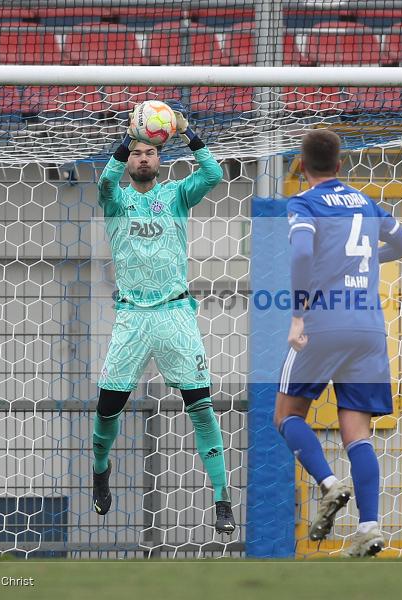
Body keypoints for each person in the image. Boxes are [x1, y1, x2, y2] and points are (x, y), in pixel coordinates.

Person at [92, 108, 235, 534]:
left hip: (175, 313)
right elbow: (103, 182)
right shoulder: (116, 200)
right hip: (132, 316)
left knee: (202, 408)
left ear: (160, 159)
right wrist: (125, 138)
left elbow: (212, 175)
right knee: (107, 410)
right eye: (134, 153)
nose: (141, 158)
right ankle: (101, 471)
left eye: (148, 152)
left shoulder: (176, 195)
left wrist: (189, 133)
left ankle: (223, 500)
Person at [275, 129, 402, 556]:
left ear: (301, 165)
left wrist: (298, 315)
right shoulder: (366, 203)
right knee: (358, 434)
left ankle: (330, 484)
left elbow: (301, 255)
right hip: (369, 329)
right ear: (340, 166)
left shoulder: (304, 203)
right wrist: (371, 257)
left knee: (285, 415)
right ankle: (370, 528)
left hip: (324, 321)